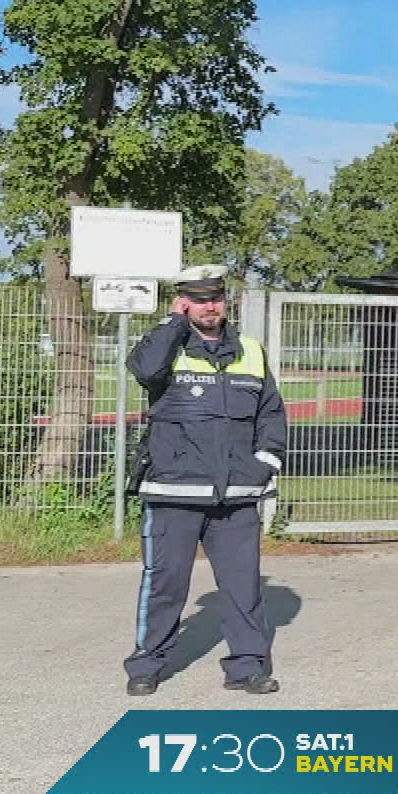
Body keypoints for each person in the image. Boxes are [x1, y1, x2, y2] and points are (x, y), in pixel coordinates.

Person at [123, 265, 286, 696]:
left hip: (236, 493)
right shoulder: (167, 344)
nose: (208, 306)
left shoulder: (249, 349)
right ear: (184, 302)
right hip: (174, 489)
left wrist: (264, 462)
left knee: (242, 586)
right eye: (198, 299)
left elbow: (271, 412)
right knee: (165, 584)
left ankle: (247, 667)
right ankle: (147, 664)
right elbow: (145, 371)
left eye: (214, 298)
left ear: (224, 301)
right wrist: (174, 323)